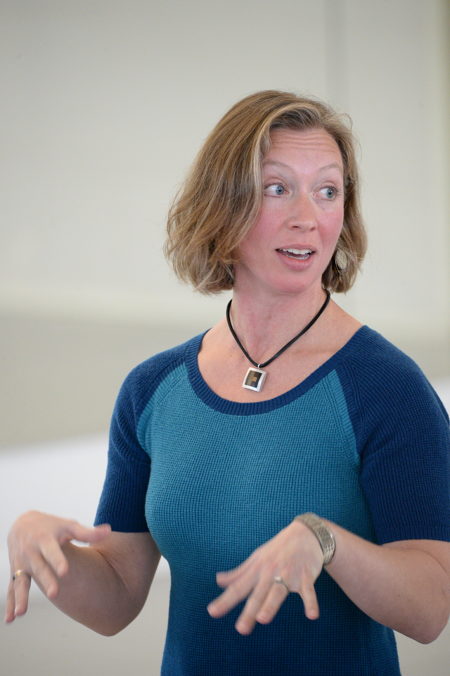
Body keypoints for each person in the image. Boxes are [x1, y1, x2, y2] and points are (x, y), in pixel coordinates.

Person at [6, 90, 450, 675]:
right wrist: (44, 550)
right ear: (223, 204)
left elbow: (430, 609)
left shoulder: (387, 387)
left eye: (328, 191)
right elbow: (115, 597)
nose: (307, 216)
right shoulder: (152, 389)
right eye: (276, 188)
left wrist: (328, 542)